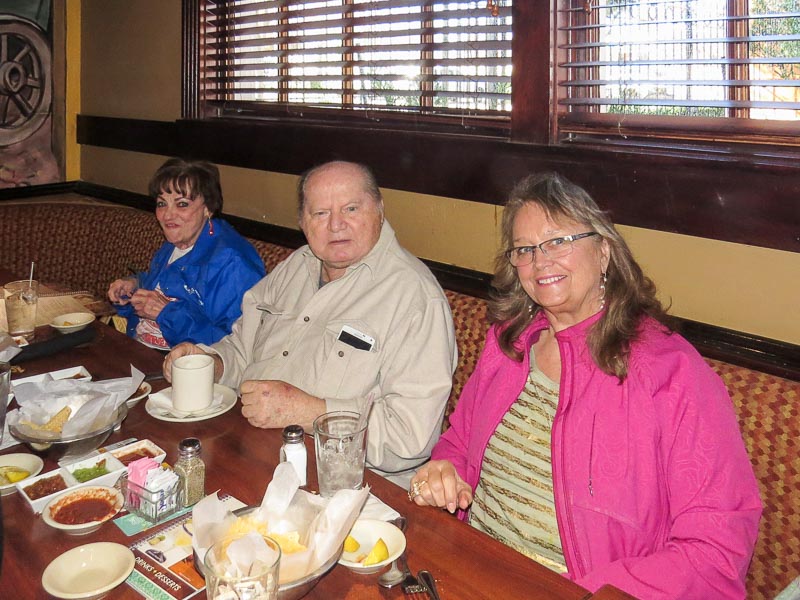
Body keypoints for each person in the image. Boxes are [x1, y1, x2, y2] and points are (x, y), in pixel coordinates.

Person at [408, 173, 761, 598]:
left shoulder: (674, 374)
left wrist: (576, 592)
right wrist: (443, 471)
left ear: (605, 252)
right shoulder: (509, 342)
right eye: (525, 249)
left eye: (560, 241)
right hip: (469, 569)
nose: (541, 262)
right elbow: (459, 444)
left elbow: (716, 553)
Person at [164, 161, 457, 485]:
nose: (336, 225)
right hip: (248, 455)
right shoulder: (295, 266)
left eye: (351, 208)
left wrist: (308, 412)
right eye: (320, 214)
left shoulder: (414, 297)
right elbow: (242, 347)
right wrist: (211, 363)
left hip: (345, 488)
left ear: (380, 210)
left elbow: (409, 438)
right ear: (302, 221)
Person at [108, 158, 265, 349]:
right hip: (138, 349)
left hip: (186, 369)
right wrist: (133, 285)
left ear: (208, 207)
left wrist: (166, 313)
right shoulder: (175, 243)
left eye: (182, 204)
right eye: (161, 203)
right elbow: (162, 286)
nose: (167, 215)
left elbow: (234, 345)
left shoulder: (233, 263)